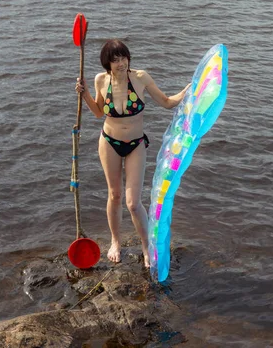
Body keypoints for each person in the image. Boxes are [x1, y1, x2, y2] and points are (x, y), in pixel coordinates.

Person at [75, 39, 189, 267]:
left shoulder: (140, 78)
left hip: (136, 143)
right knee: (114, 195)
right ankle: (115, 241)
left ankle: (147, 246)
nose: (121, 63)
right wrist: (85, 94)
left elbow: (167, 102)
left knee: (133, 202)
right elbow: (98, 113)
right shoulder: (100, 80)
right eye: (115, 60)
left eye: (124, 58)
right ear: (107, 63)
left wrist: (188, 90)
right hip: (109, 142)